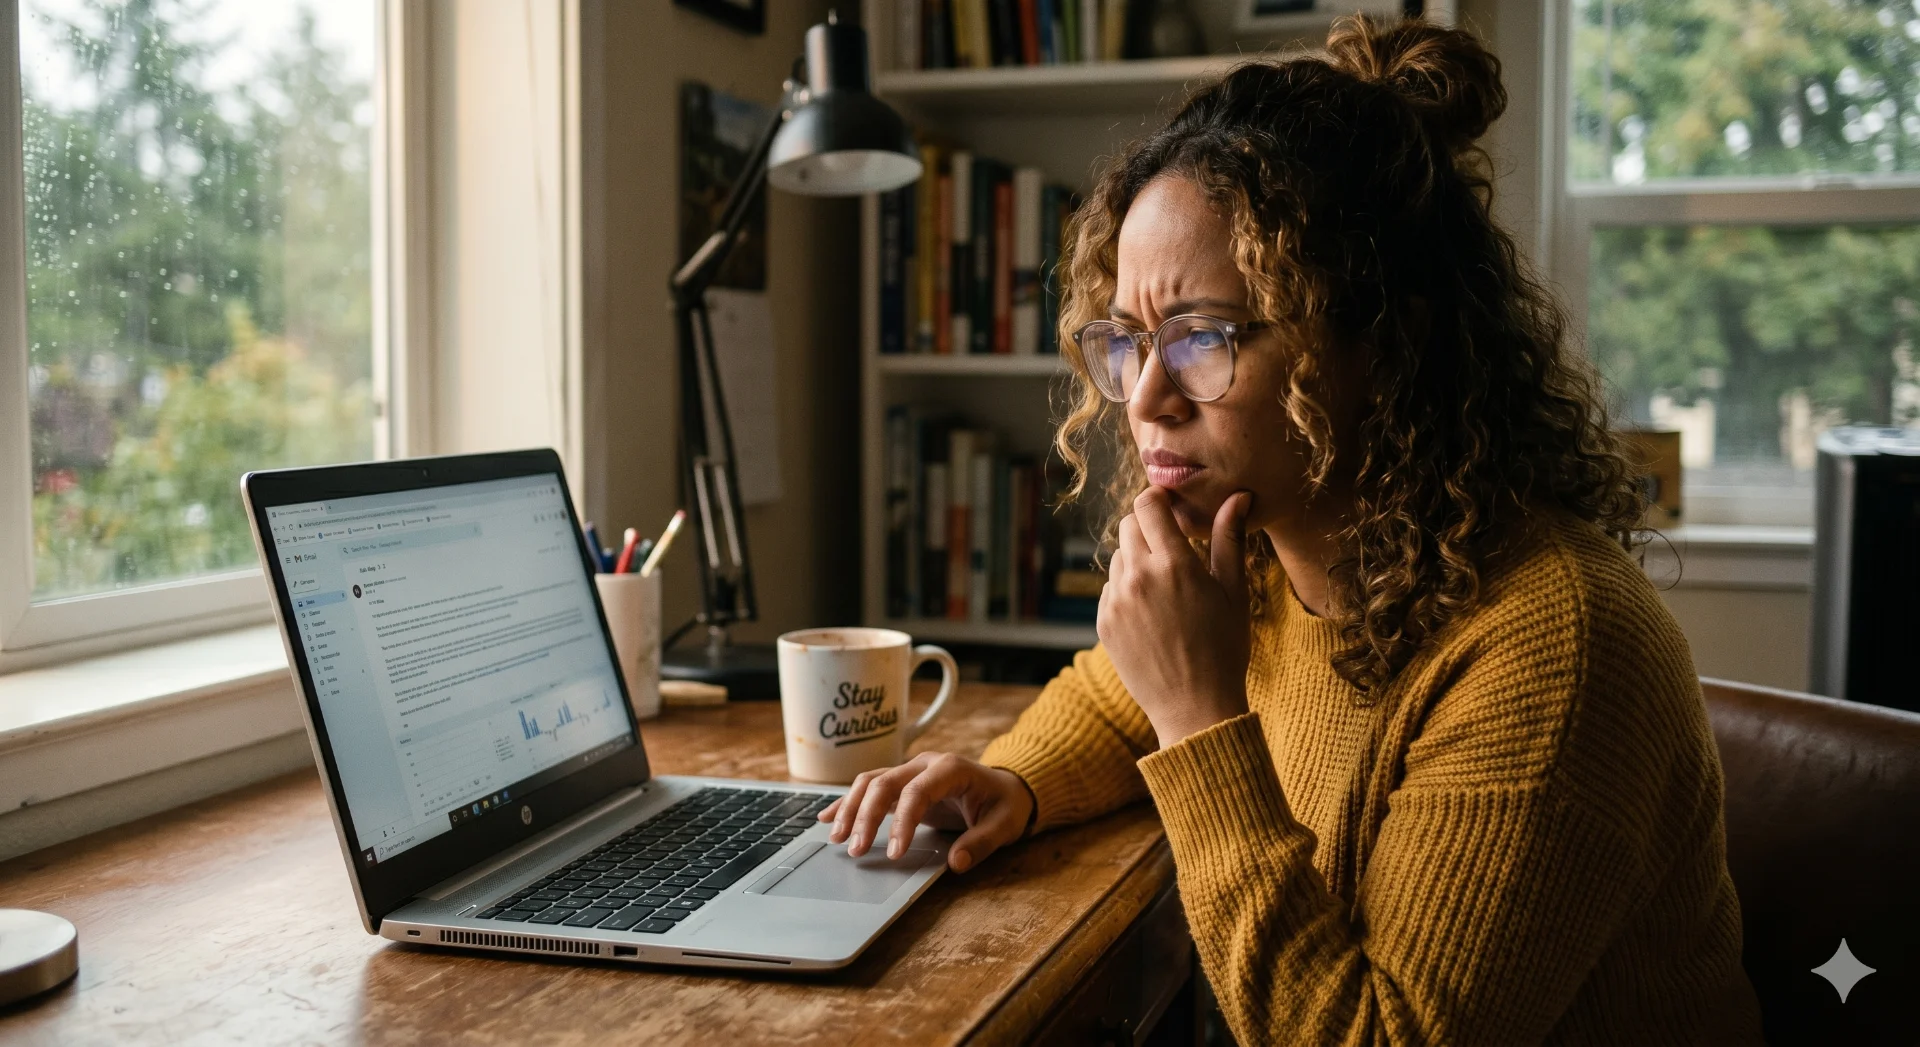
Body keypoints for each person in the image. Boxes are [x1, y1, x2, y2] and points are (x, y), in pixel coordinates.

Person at [816, 15, 1764, 1044]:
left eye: (1205, 337)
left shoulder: (1550, 645)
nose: (1143, 403)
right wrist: (1015, 780)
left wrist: (1201, 720)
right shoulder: (1268, 544)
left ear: (1382, 344)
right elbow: (1121, 688)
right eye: (1127, 342)